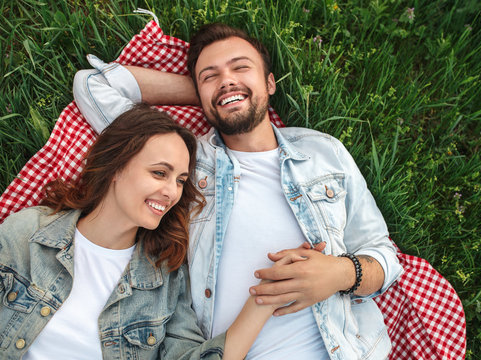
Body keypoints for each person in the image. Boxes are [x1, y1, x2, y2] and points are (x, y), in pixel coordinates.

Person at [73, 23, 404, 359]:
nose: (226, 79)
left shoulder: (323, 153)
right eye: (209, 75)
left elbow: (384, 256)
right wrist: (220, 93)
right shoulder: (183, 160)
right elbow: (94, 84)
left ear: (270, 82)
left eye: (241, 67)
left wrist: (340, 273)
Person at [0, 105, 286, 359]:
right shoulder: (30, 232)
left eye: (180, 180)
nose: (171, 192)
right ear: (116, 167)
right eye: (160, 173)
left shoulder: (164, 276)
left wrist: (266, 297)